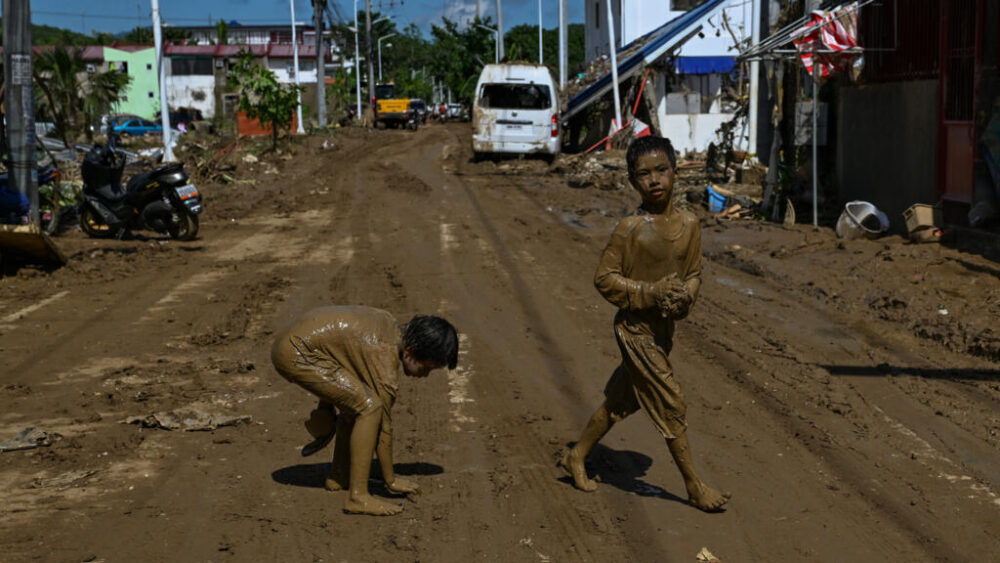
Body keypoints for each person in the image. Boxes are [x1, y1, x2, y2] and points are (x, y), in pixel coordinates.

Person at [559, 136, 731, 512]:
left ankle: (577, 455)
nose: (654, 180)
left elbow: (694, 274)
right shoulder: (630, 229)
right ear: (633, 181)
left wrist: (686, 295)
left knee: (620, 401)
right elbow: (604, 279)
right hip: (635, 331)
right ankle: (693, 485)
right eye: (644, 174)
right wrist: (650, 292)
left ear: (675, 172)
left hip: (663, 332)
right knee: (671, 403)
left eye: (661, 171)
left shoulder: (690, 225)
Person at [271, 305, 459, 516]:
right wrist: (391, 479)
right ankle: (358, 497)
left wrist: (325, 405)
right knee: (369, 408)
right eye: (426, 368)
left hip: (292, 342)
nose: (424, 376)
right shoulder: (384, 356)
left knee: (356, 403)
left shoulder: (387, 322)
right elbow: (383, 426)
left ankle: (339, 476)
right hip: (296, 353)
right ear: (410, 353)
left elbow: (339, 352)